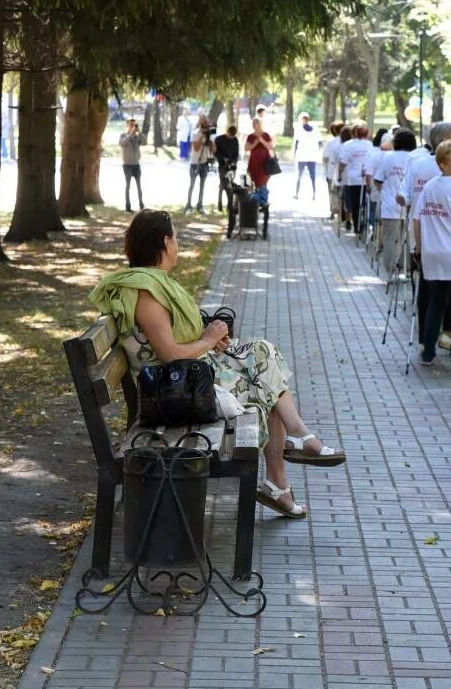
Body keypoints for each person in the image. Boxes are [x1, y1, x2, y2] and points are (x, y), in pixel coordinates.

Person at [89, 211, 347, 519]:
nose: (178, 244)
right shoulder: (145, 294)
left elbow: (171, 345)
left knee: (262, 358)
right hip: (176, 392)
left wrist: (209, 338)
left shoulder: (151, 285)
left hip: (184, 381)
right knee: (264, 375)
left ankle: (289, 455)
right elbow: (170, 355)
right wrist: (209, 339)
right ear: (165, 242)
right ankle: (291, 454)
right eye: (176, 238)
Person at [411, 141, 451, 368]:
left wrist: (419, 246)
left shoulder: (429, 188)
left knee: (435, 304)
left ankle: (428, 351)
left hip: (432, 253)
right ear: (443, 164)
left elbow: (417, 219)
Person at [374, 130, 415, 277]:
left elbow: (378, 180)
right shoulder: (415, 158)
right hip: (410, 204)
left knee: (390, 238)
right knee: (409, 238)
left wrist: (385, 189)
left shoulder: (388, 157)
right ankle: (407, 268)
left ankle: (390, 268)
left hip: (390, 205)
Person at [338, 122, 374, 234]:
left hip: (352, 178)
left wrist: (340, 172)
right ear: (367, 134)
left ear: (354, 133)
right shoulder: (369, 145)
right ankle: (362, 223)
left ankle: (357, 226)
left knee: (354, 203)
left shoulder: (349, 145)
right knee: (364, 202)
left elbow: (343, 162)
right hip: (366, 177)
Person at [184, 116, 216, 213]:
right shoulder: (195, 133)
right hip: (195, 163)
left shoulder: (209, 136)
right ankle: (188, 205)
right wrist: (202, 135)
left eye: (206, 123)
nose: (205, 126)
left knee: (202, 185)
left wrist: (211, 139)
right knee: (192, 185)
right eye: (204, 123)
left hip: (204, 163)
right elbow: (196, 148)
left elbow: (213, 151)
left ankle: (200, 205)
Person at [244, 116, 275, 203]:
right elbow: (246, 148)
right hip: (253, 161)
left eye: (256, 123)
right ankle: (249, 198)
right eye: (253, 123)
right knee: (248, 179)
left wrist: (262, 141)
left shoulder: (266, 135)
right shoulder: (250, 136)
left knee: (262, 181)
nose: (254, 125)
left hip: (264, 162)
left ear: (260, 124)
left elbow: (270, 147)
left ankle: (262, 200)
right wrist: (255, 143)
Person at [293, 112, 322, 200]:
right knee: (305, 175)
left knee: (305, 175)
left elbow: (296, 143)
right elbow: (320, 142)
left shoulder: (309, 129)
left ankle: (311, 193)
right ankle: (299, 193)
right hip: (306, 156)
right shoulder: (301, 129)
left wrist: (295, 154)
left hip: (307, 156)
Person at [119, 119, 145, 213]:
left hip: (136, 164)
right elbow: (122, 143)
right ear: (127, 125)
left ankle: (141, 205)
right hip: (127, 165)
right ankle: (128, 206)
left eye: (134, 125)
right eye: (131, 125)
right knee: (128, 186)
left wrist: (139, 132)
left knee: (139, 186)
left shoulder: (137, 136)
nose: (133, 127)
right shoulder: (123, 135)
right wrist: (130, 134)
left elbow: (145, 142)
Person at [214, 125, 240, 212]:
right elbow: (216, 153)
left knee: (230, 186)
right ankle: (220, 205)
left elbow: (236, 153)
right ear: (227, 132)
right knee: (222, 185)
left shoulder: (235, 140)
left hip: (232, 166)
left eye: (232, 136)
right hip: (222, 166)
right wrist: (223, 159)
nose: (230, 137)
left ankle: (230, 205)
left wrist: (233, 162)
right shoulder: (219, 139)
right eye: (229, 135)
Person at [323, 122, 346, 220]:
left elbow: (325, 158)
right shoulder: (346, 143)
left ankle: (333, 210)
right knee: (342, 193)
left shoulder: (330, 143)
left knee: (333, 193)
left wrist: (326, 167)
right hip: (344, 173)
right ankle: (342, 212)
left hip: (331, 172)